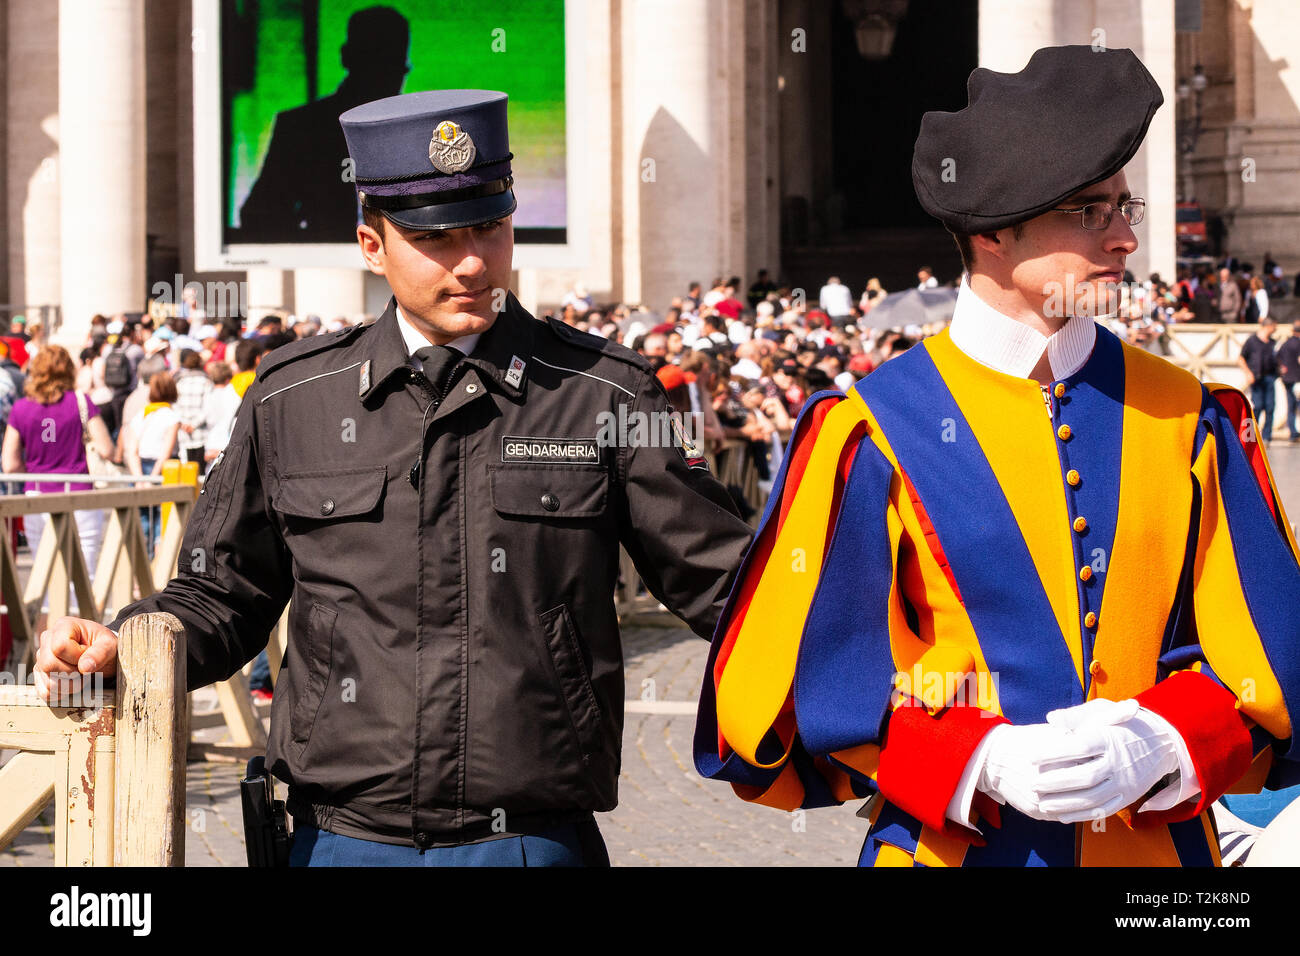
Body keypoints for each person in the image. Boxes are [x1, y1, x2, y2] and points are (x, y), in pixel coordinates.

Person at [36, 88, 753, 866]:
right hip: (339, 843)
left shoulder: (606, 392)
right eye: (436, 237)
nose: (474, 260)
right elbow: (222, 592)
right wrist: (124, 639)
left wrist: (881, 662)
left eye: (490, 224)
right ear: (371, 245)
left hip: (527, 843)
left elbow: (729, 586)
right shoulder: (290, 397)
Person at [695, 45, 1300, 867]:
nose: (1125, 237)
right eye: (1092, 211)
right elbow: (786, 697)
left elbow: (1273, 656)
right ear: (992, 235)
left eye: (1128, 207)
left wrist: (1167, 739)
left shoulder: (1195, 416)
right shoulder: (868, 429)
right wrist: (973, 759)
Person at [2, 346, 115, 607]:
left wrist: (33, 468)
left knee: (45, 575)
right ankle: (81, 640)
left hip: (37, 496)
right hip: (79, 495)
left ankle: (44, 641)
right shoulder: (81, 402)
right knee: (83, 577)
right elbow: (106, 449)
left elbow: (9, 464)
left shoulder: (21, 409)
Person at [1239, 316, 1278, 442]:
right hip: (1256, 378)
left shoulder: (1272, 342)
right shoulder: (1252, 341)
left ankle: (1267, 436)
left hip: (1269, 377)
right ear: (1269, 326)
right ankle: (1250, 437)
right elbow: (1241, 358)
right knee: (1257, 406)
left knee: (1270, 407)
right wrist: (1248, 373)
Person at [1276, 321, 1300, 443]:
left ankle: (1293, 433)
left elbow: (1277, 356)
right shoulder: (1298, 344)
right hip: (1297, 379)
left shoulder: (1285, 344)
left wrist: (1283, 368)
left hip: (1287, 379)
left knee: (1291, 407)